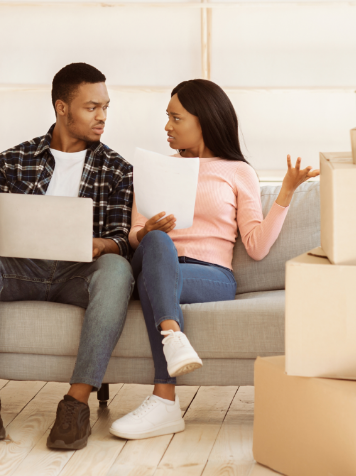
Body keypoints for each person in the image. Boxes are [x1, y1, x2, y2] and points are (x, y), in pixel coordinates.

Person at [109, 79, 319, 440]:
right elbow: (133, 236)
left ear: (202, 119)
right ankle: (171, 346)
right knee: (158, 243)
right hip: (156, 260)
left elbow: (256, 245)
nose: (167, 127)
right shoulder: (154, 168)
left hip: (211, 276)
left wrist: (285, 193)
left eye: (176, 118)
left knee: (153, 279)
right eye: (167, 117)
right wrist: (147, 232)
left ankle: (165, 403)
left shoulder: (238, 171)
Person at [0, 63, 134, 450]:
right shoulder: (11, 160)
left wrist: (100, 245)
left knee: (118, 270)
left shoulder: (117, 169)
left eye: (105, 106)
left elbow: (122, 239)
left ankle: (76, 404)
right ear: (61, 108)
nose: (102, 116)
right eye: (91, 107)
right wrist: (0, 232)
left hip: (78, 275)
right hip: (23, 270)